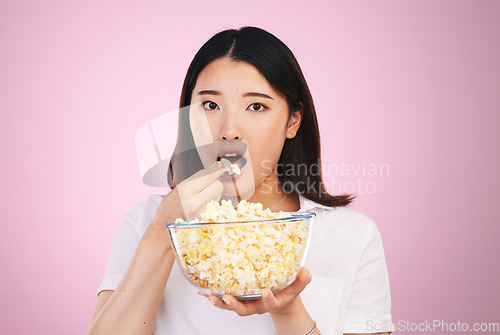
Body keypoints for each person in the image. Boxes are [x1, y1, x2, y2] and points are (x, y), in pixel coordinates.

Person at [87, 26, 393, 335]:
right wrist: (162, 233)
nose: (229, 131)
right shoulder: (145, 223)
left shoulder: (352, 235)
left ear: (293, 121)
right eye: (210, 105)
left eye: (256, 106)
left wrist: (288, 312)